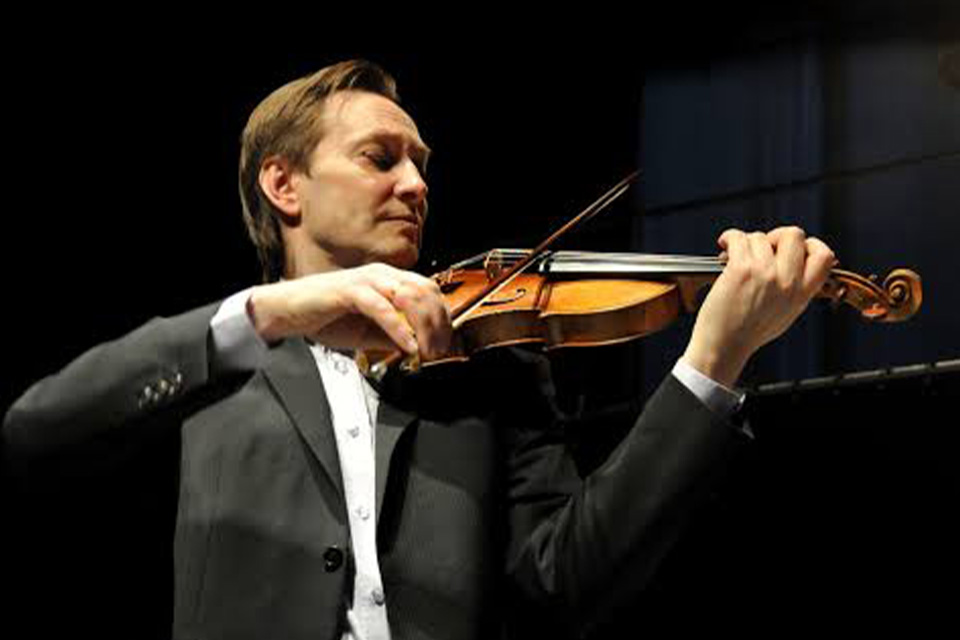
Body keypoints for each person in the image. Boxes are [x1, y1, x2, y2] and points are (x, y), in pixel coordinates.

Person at [2, 60, 836, 640]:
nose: (418, 184)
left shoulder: (486, 369)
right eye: (381, 158)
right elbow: (38, 430)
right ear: (283, 185)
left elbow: (566, 581)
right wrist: (272, 311)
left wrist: (712, 363)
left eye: (422, 164)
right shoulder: (222, 363)